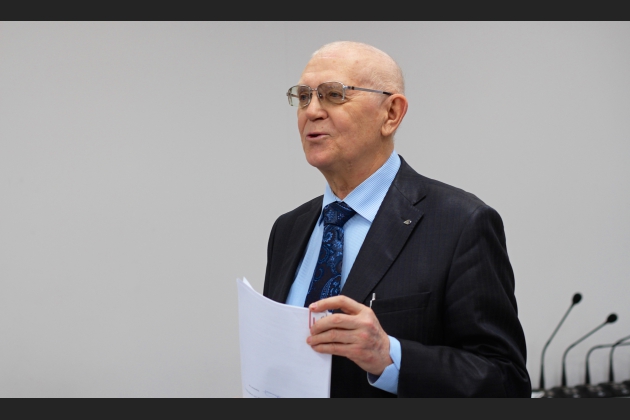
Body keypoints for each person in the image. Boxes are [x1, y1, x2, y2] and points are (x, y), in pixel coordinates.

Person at [262, 41, 531, 397]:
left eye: (333, 95)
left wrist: (390, 356)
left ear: (391, 113)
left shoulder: (461, 224)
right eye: (303, 96)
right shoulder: (288, 229)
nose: (311, 111)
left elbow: (505, 382)